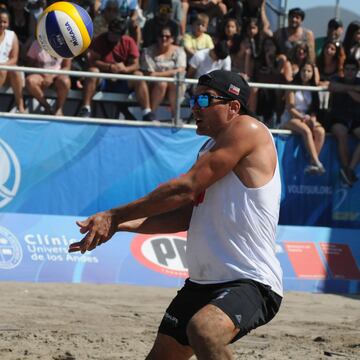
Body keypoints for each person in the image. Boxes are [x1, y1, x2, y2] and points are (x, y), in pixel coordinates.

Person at [68, 69, 283, 360]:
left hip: (250, 280)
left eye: (205, 100)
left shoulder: (249, 128)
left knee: (204, 331)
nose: (195, 107)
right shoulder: (209, 149)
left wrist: (114, 213)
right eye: (193, 99)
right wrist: (118, 223)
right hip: (202, 283)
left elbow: (185, 188)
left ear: (233, 106)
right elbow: (185, 215)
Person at [78, 17, 152, 120]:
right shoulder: (100, 40)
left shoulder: (129, 42)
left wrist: (125, 69)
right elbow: (92, 61)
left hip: (123, 80)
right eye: (111, 32)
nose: (112, 36)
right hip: (103, 80)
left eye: (115, 34)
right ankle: (86, 108)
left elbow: (136, 65)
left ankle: (147, 113)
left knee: (139, 75)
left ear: (121, 35)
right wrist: (109, 66)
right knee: (92, 71)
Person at [280, 62, 326, 175]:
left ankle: (311, 164)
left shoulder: (313, 89)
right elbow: (290, 108)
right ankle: (317, 163)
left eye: (309, 71)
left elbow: (314, 109)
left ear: (312, 74)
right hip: (291, 118)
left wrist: (313, 119)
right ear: (300, 72)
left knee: (320, 131)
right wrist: (304, 118)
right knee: (306, 131)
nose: (306, 73)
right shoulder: (292, 86)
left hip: (306, 118)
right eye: (303, 70)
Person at [140, 25, 186, 120]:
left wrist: (158, 74)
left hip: (174, 86)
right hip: (153, 85)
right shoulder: (148, 51)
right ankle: (151, 116)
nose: (164, 38)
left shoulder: (179, 51)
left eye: (167, 36)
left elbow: (181, 70)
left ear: (172, 39)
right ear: (157, 37)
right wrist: (170, 73)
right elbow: (149, 74)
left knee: (174, 83)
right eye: (161, 36)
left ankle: (175, 117)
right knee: (162, 84)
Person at [329, 57, 360, 187]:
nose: (350, 72)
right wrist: (352, 88)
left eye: (353, 70)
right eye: (347, 69)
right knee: (341, 133)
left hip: (356, 120)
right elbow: (332, 86)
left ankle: (349, 170)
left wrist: (343, 89)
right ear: (343, 70)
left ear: (357, 71)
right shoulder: (336, 78)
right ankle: (346, 168)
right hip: (337, 118)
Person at [25, 39, 71, 115]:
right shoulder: (36, 43)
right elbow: (30, 64)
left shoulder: (66, 44)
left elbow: (67, 67)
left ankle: (59, 109)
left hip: (57, 76)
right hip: (40, 75)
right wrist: (43, 73)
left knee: (65, 81)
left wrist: (52, 76)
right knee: (30, 81)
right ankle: (47, 107)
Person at [0, 7, 25, 113]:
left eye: (4, 22)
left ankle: (21, 106)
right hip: (2, 71)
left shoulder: (12, 35)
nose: (1, 24)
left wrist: (2, 65)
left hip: (6, 68)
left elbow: (14, 59)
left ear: (8, 23)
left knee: (14, 70)